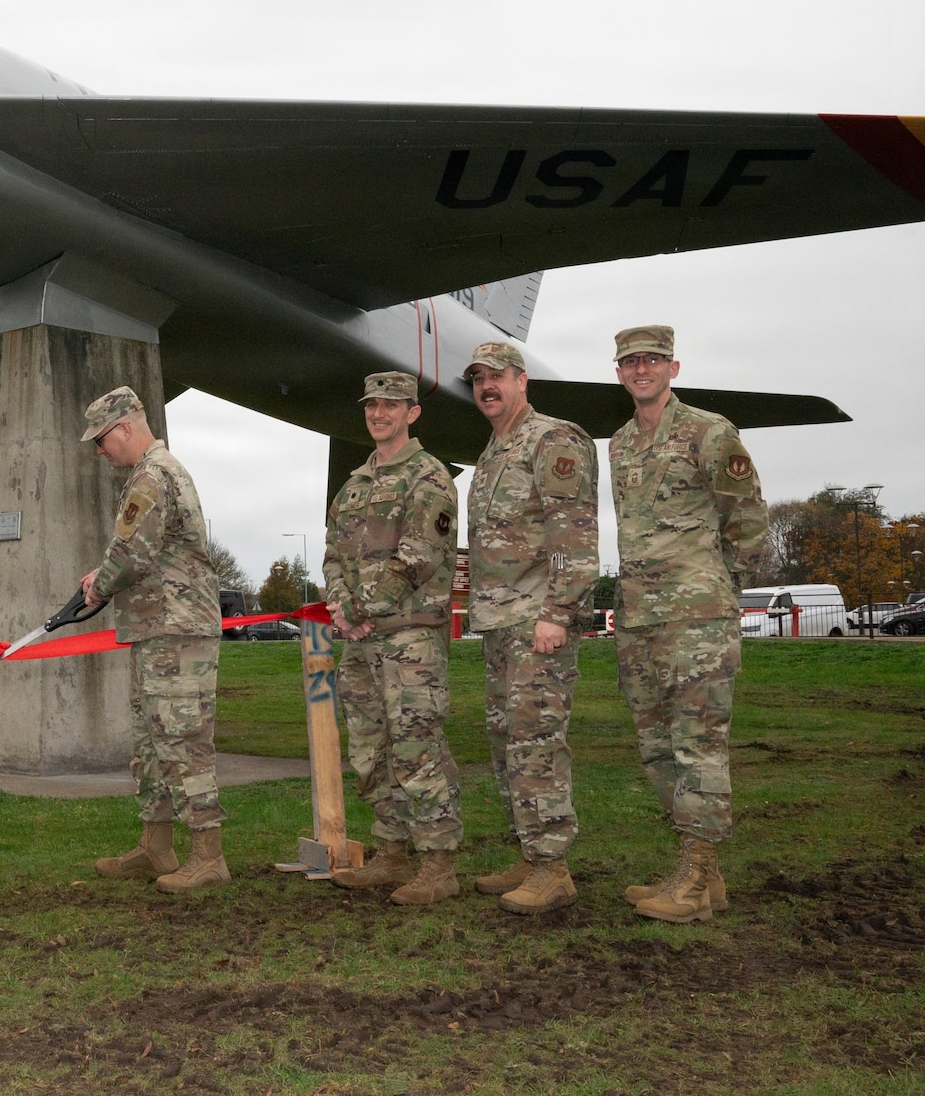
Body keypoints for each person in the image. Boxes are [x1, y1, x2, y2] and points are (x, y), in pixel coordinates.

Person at [608, 325, 766, 923]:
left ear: (673, 367)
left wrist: (719, 588)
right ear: (619, 372)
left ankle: (695, 879)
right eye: (630, 363)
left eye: (651, 361)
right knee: (657, 749)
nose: (640, 370)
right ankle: (704, 875)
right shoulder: (621, 443)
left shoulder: (709, 430)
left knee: (698, 746)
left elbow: (747, 519)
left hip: (697, 619)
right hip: (640, 619)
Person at [463, 342, 600, 914]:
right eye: (478, 380)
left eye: (498, 376)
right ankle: (529, 849)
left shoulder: (551, 439)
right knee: (506, 740)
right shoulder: (496, 450)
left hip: (536, 621)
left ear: (523, 380)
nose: (487, 387)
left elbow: (572, 532)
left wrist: (557, 612)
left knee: (535, 740)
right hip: (501, 623)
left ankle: (552, 867)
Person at [77, 386, 227, 894]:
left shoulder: (152, 475)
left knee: (183, 744)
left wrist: (98, 586)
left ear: (124, 427)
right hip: (156, 629)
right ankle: (156, 846)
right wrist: (106, 575)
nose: (100, 452)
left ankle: (208, 855)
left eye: (101, 440)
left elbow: (132, 553)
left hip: (176, 633)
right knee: (152, 743)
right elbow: (145, 553)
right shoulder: (155, 473)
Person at [322, 372, 463, 906]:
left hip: (410, 641)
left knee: (416, 748)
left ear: (413, 413)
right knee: (369, 750)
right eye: (372, 405)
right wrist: (341, 608)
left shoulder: (428, 478)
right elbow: (334, 555)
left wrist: (357, 609)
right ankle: (392, 854)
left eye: (391, 405)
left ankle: (438, 864)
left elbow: (417, 558)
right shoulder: (355, 484)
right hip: (360, 642)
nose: (379, 413)